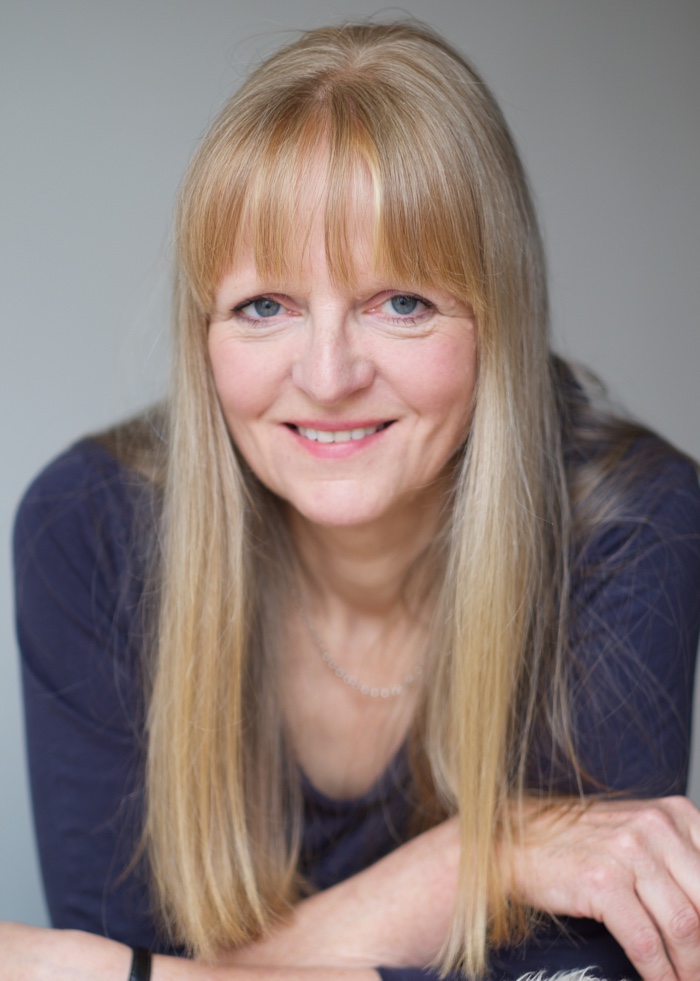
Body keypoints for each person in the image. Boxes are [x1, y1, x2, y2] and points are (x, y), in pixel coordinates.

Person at [7, 19, 700, 981]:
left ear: (498, 317)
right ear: (203, 334)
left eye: (401, 302)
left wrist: (114, 970)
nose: (328, 377)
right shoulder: (89, 530)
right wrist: (484, 857)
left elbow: (586, 967)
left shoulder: (628, 521)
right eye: (265, 306)